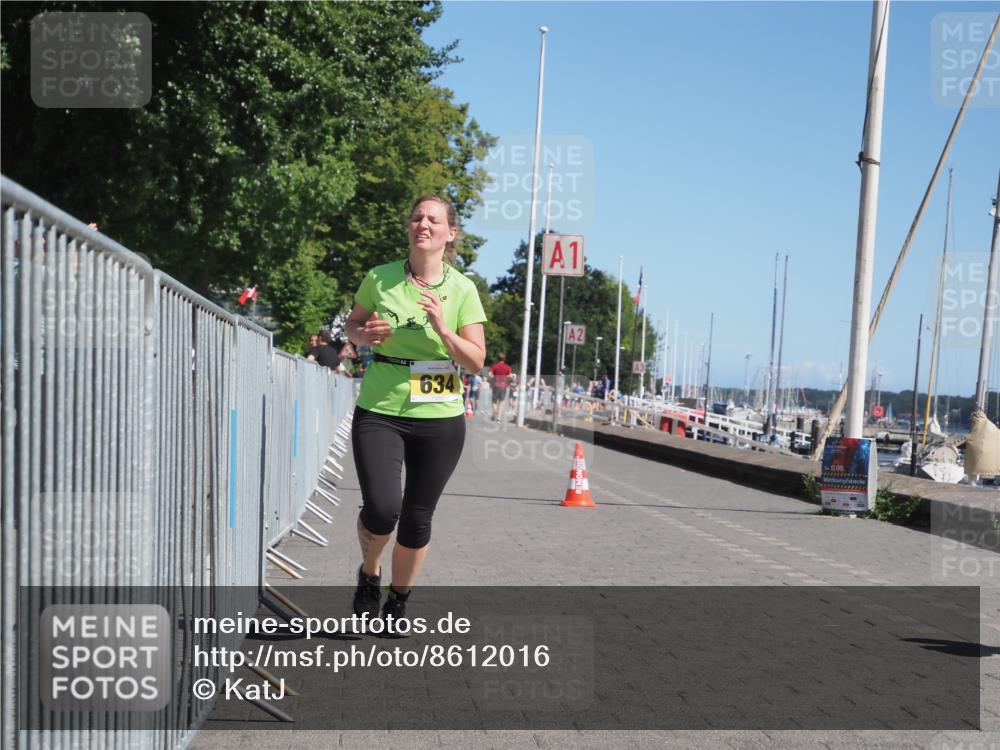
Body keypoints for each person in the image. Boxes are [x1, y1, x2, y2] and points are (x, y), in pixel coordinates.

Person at [344, 195, 486, 626]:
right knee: (384, 508)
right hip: (381, 405)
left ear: (450, 233)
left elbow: (475, 360)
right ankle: (370, 573)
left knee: (417, 517)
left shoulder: (462, 289)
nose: (423, 224)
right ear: (409, 228)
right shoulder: (380, 278)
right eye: (416, 218)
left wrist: (444, 329)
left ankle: (399, 599)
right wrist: (365, 333)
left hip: (440, 412)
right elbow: (352, 326)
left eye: (433, 219)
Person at [488, 353, 513, 422]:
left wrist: (494, 378)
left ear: (497, 358)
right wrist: (505, 377)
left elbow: (490, 375)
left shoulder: (494, 366)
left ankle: (495, 410)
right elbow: (510, 376)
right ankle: (498, 418)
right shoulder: (508, 367)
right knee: (501, 402)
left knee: (494, 401)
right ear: (504, 359)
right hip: (504, 386)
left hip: (495, 385)